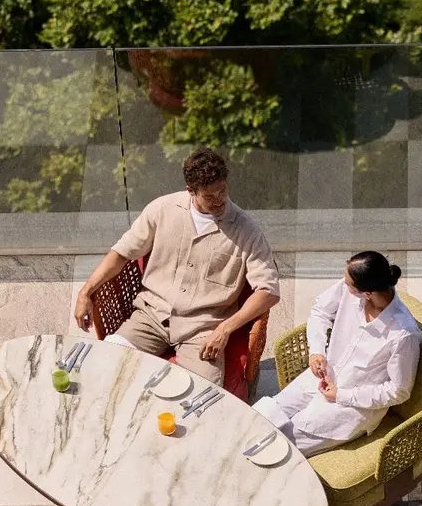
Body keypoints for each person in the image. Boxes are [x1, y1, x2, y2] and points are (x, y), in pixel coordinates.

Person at [74, 147, 279, 384]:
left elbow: (269, 291)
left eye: (222, 191)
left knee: (203, 397)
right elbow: (122, 253)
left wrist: (224, 329)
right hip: (149, 317)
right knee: (103, 364)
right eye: (210, 196)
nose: (220, 200)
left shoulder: (248, 231)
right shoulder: (162, 209)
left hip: (201, 331)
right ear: (191, 191)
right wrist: (85, 291)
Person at [253, 251, 422, 455]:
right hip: (320, 377)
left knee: (276, 449)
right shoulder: (349, 289)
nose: (344, 283)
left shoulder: (403, 335)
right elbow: (320, 311)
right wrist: (316, 351)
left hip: (350, 408)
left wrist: (343, 395)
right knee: (257, 420)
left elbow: (398, 390)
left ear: (367, 293)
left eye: (348, 282)